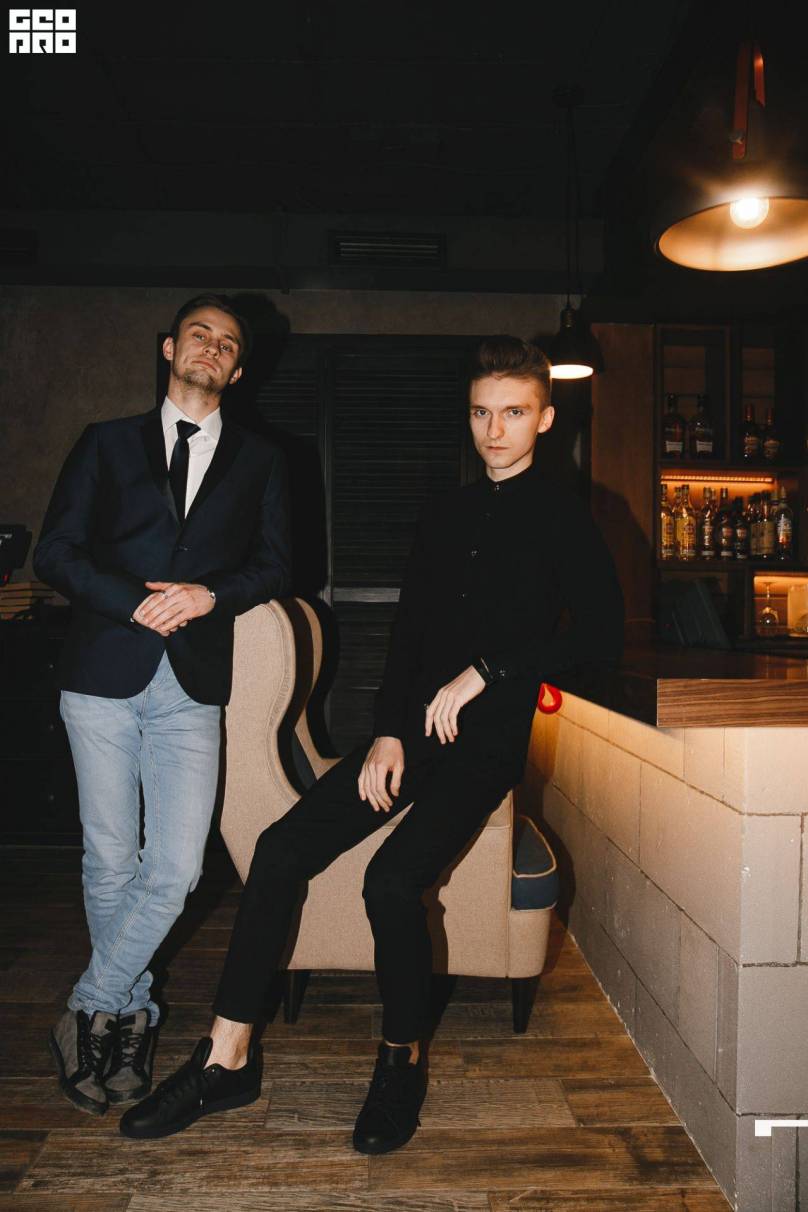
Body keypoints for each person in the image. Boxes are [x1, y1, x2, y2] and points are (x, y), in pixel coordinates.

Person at [120, 335, 624, 1153]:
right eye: (481, 413)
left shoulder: (566, 513)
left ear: (544, 418)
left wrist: (489, 671)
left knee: (391, 882)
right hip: (411, 733)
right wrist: (388, 729)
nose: (494, 430)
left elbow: (601, 636)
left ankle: (401, 1061)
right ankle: (225, 1058)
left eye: (513, 413)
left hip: (487, 745)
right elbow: (409, 633)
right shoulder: (446, 511)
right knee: (280, 850)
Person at [33, 294, 291, 1117]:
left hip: (192, 686)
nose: (211, 347)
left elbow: (278, 564)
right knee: (111, 861)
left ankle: (88, 1007)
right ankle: (129, 1020)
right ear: (169, 348)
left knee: (176, 868)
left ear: (238, 371)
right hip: (101, 674)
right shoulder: (105, 443)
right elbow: (54, 553)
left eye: (228, 344)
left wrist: (210, 595)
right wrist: (133, 602)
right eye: (198, 335)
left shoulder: (262, 459)